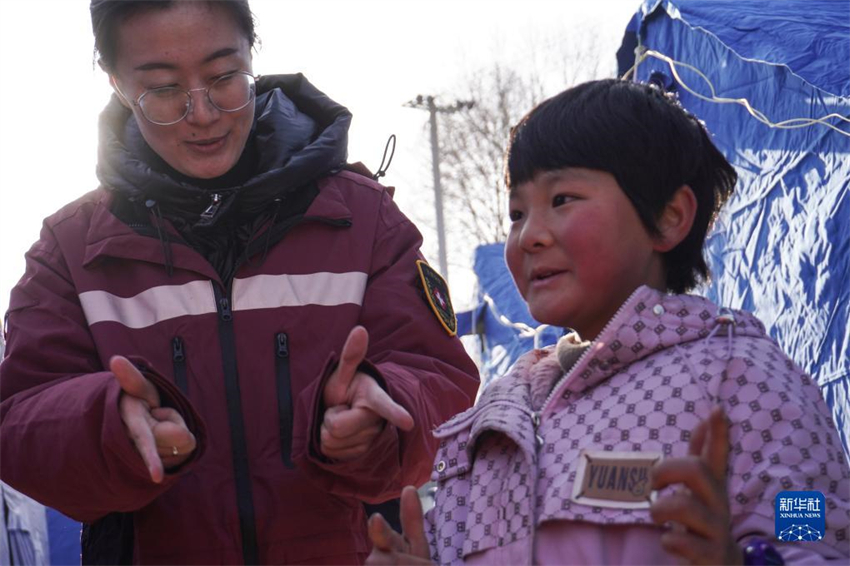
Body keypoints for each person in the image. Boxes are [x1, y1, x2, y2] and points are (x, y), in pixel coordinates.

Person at [0, 1, 480, 564]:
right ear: (116, 83)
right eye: (162, 89)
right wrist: (108, 428)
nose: (201, 114)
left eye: (225, 77)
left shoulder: (365, 220)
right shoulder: (70, 250)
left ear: (253, 55)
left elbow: (442, 382)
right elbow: (19, 421)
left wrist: (384, 414)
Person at [365, 79, 850, 565]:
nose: (529, 235)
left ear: (668, 217)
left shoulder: (742, 378)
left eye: (562, 200)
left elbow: (814, 526)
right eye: (516, 213)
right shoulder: (497, 411)